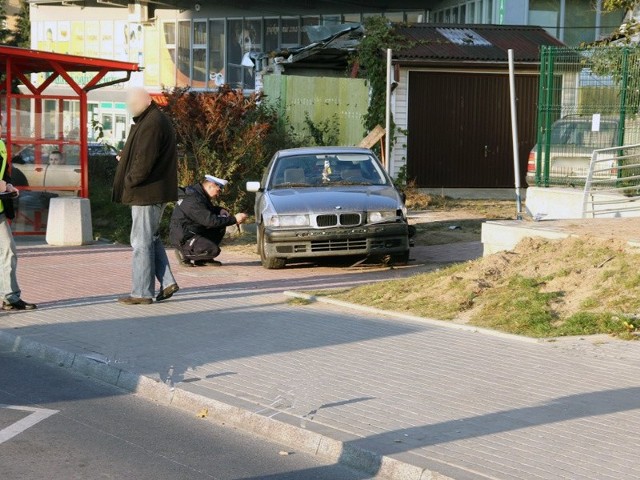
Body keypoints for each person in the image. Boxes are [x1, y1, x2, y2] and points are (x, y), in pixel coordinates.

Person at [112, 88, 179, 305]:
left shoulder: (151, 123)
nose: (129, 107)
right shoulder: (152, 119)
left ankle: (141, 292)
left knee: (141, 243)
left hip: (146, 192)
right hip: (152, 191)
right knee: (151, 238)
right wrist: (126, 159)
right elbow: (144, 155)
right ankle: (167, 282)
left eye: (132, 103)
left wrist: (129, 181)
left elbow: (144, 162)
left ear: (146, 101)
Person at [170, 175, 248, 266]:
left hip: (193, 231)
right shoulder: (193, 199)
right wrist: (234, 219)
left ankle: (202, 259)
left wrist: (220, 210)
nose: (218, 193)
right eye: (218, 190)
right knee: (213, 250)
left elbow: (205, 210)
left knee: (220, 223)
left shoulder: (198, 194)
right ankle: (183, 254)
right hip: (184, 237)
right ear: (211, 185)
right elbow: (210, 221)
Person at [0, 137, 36, 310]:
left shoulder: (1, 145)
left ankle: (10, 297)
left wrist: (8, 185)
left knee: (8, 250)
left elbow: (4, 173)